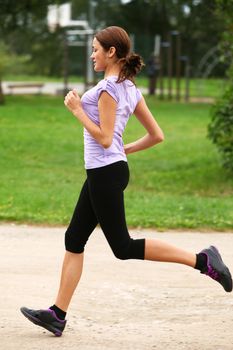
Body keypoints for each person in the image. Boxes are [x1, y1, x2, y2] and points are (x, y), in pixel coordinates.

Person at [20, 26, 232, 337]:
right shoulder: (130, 88)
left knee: (122, 246)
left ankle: (203, 261)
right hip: (107, 170)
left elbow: (105, 138)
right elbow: (156, 135)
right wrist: (124, 149)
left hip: (105, 172)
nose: (92, 54)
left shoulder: (108, 89)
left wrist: (78, 110)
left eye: (95, 49)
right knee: (74, 239)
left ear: (111, 52)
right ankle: (57, 314)